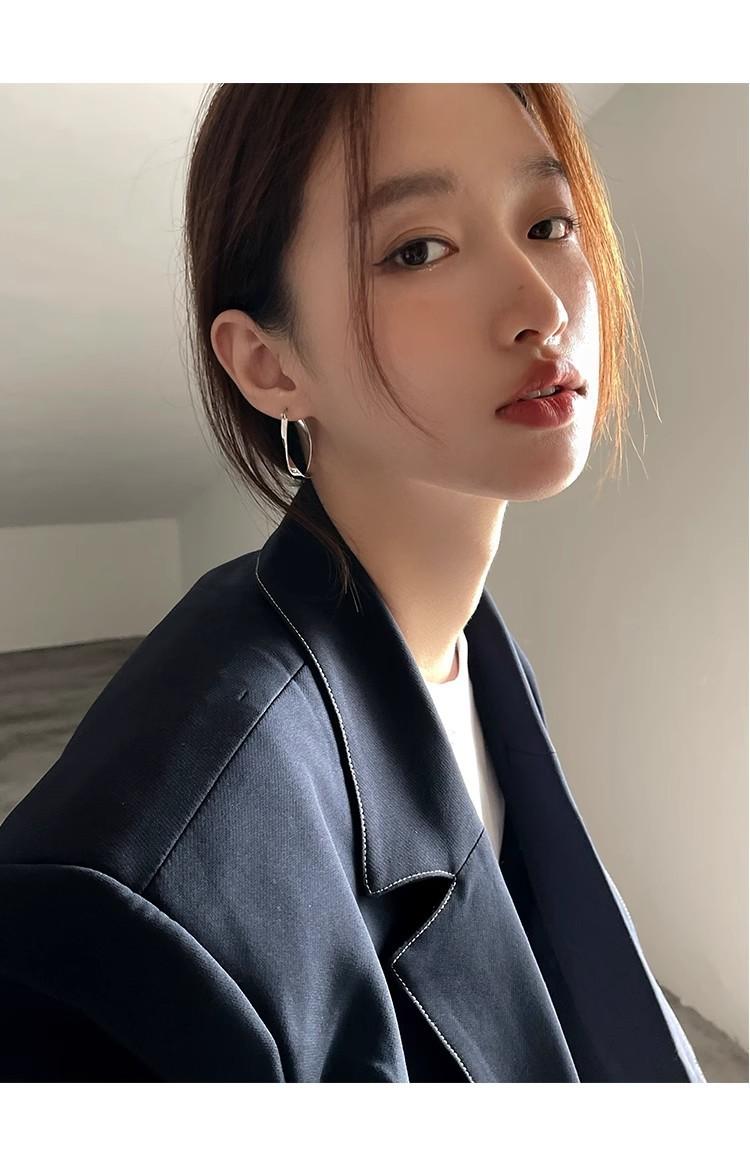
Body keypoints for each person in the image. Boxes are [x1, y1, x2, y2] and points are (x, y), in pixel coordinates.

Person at [0, 83, 705, 1082]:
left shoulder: (471, 650)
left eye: (549, 224)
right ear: (268, 365)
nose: (543, 309)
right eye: (419, 250)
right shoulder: (138, 906)